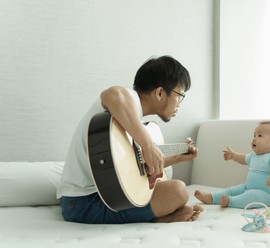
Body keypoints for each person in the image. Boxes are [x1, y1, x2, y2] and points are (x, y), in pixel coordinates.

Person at [57, 55, 203, 224]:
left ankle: (163, 214)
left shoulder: (131, 122)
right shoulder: (129, 99)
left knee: (173, 189)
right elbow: (112, 94)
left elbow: (130, 172)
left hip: (106, 195)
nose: (180, 103)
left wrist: (178, 158)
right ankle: (161, 216)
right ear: (160, 92)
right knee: (178, 191)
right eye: (180, 95)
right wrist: (148, 146)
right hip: (82, 203)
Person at [195, 121, 270, 209]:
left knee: (252, 196)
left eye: (259, 136)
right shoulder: (254, 155)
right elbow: (243, 158)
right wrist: (233, 155)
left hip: (269, 196)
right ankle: (212, 197)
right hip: (248, 187)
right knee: (232, 190)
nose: (254, 138)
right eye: (254, 135)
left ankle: (231, 202)